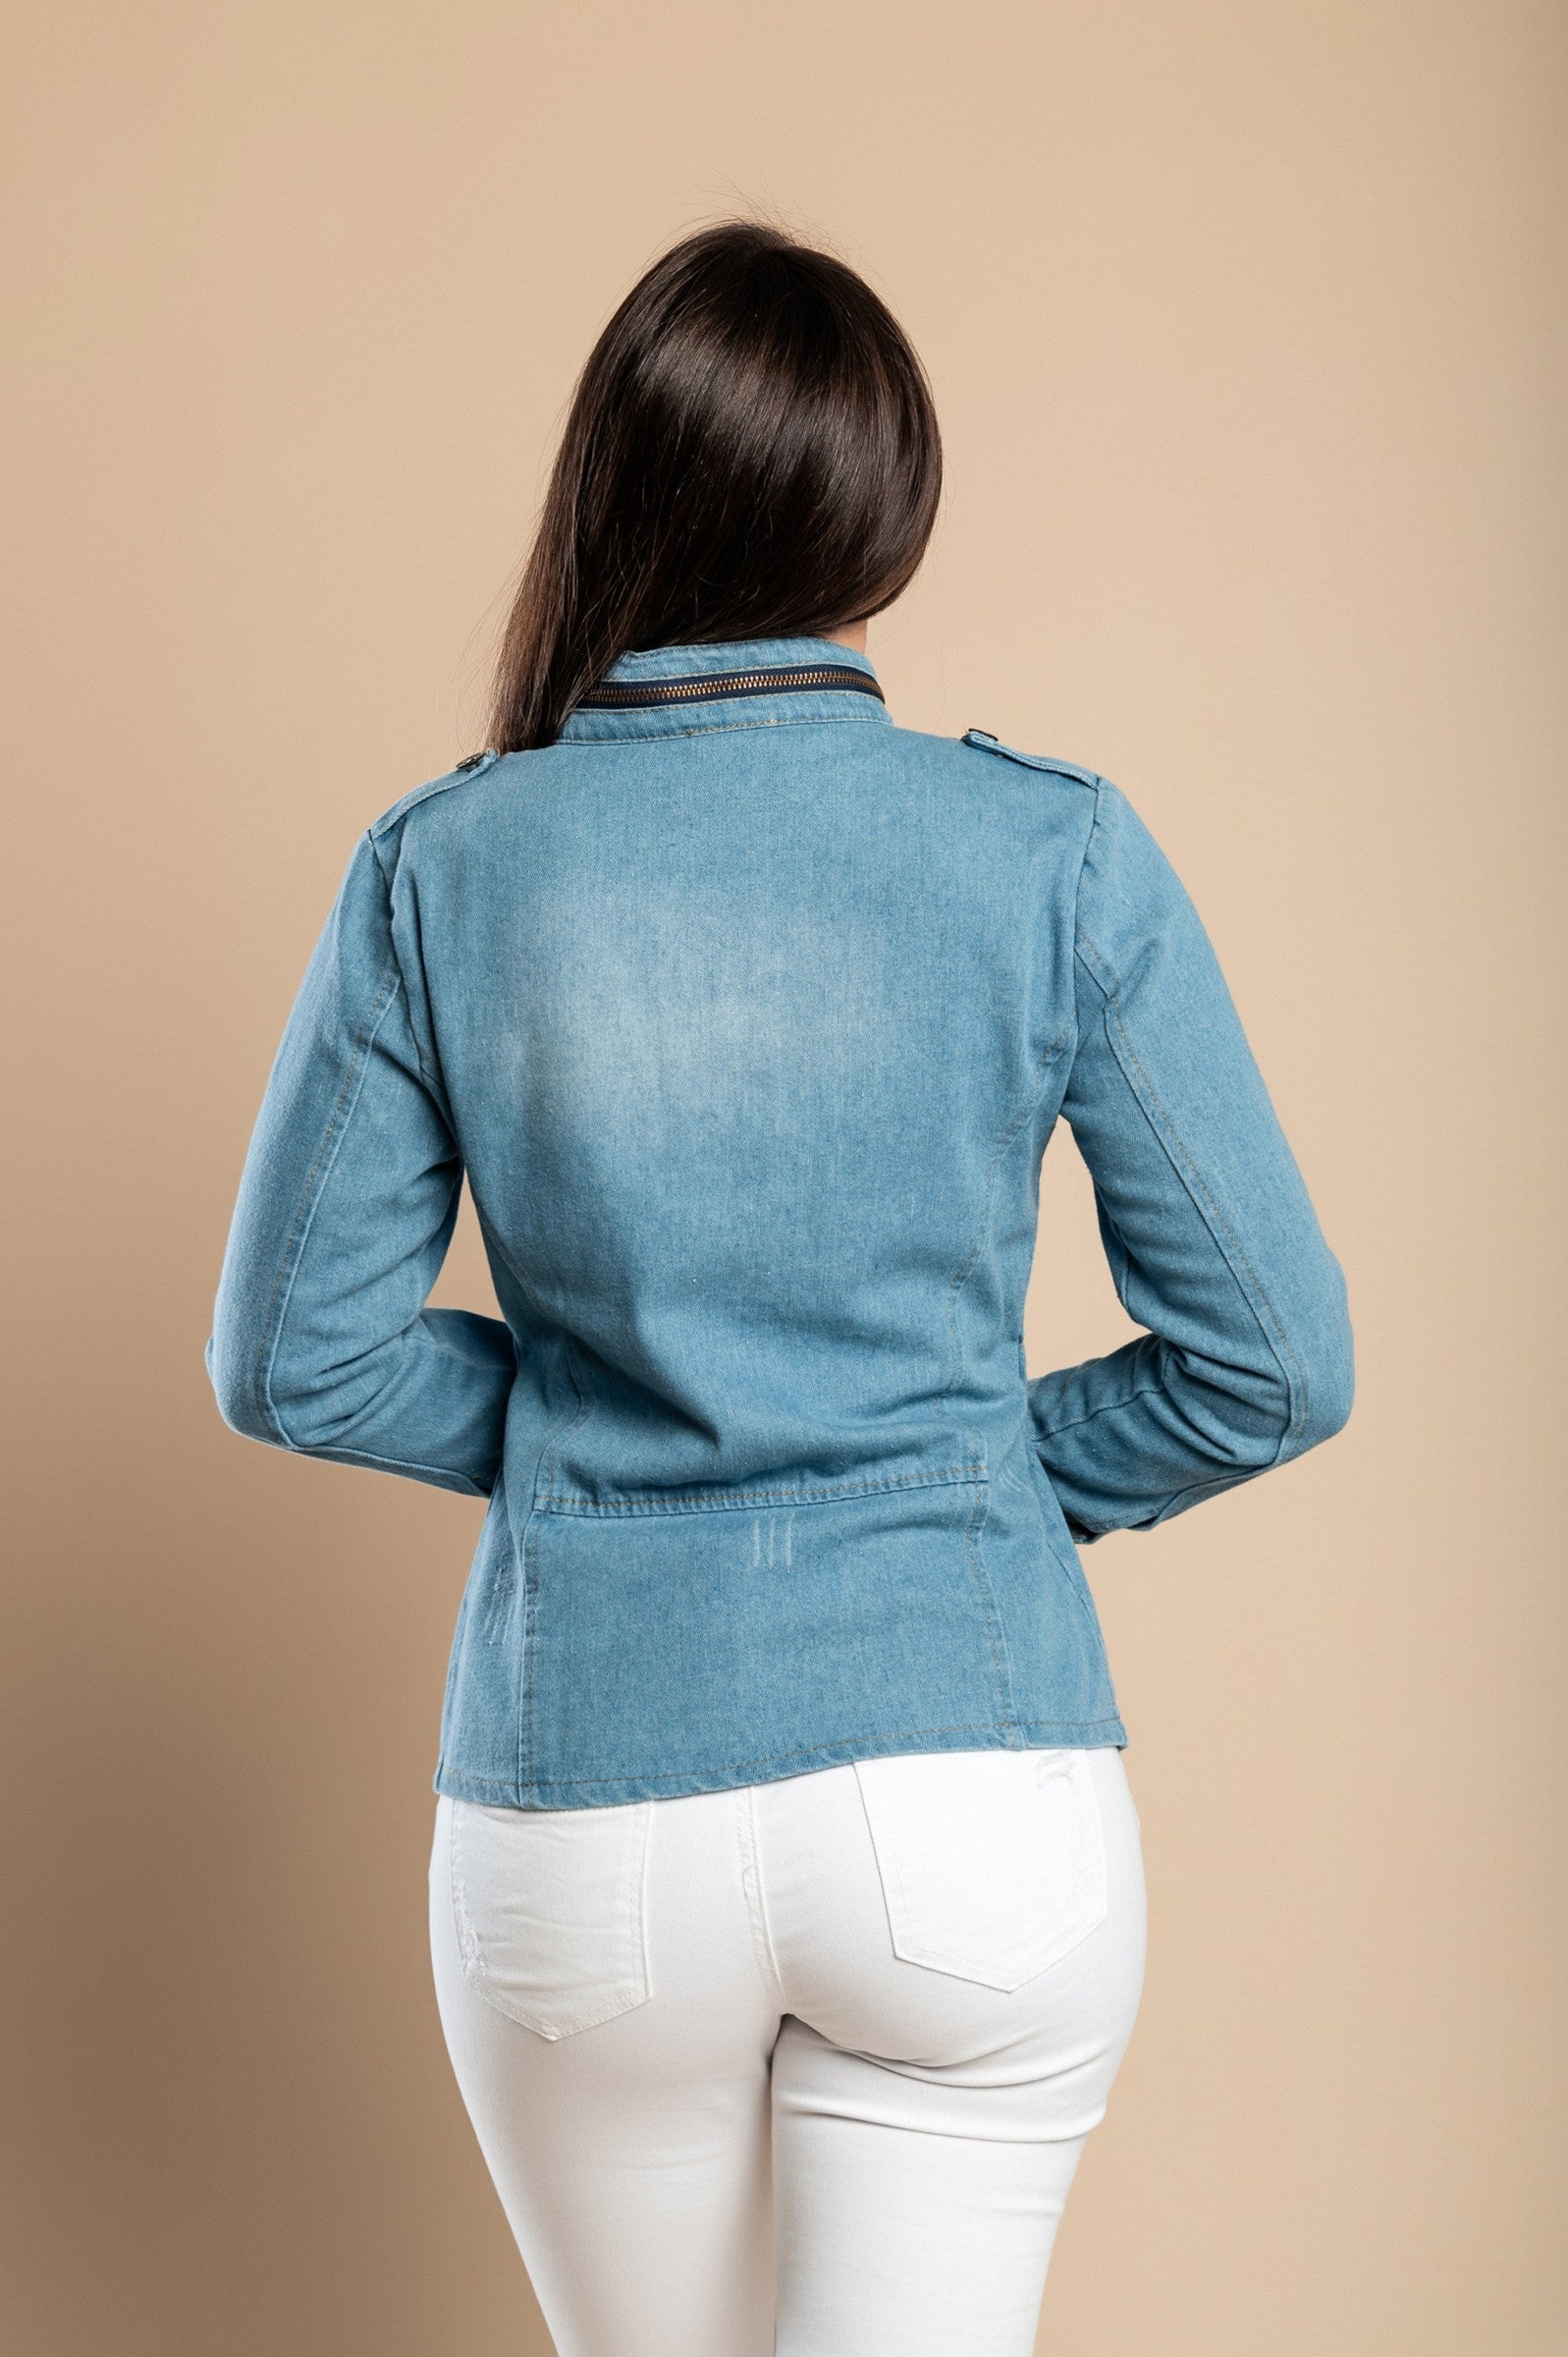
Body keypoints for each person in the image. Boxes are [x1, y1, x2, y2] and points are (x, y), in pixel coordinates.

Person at [206, 220, 1354, 2357]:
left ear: (612, 491)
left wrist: (590, 1445)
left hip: (588, 1804)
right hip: (969, 1793)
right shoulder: (1050, 851)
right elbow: (1274, 1366)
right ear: (883, 515)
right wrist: (966, 1472)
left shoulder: (444, 862)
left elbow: (293, 1358)